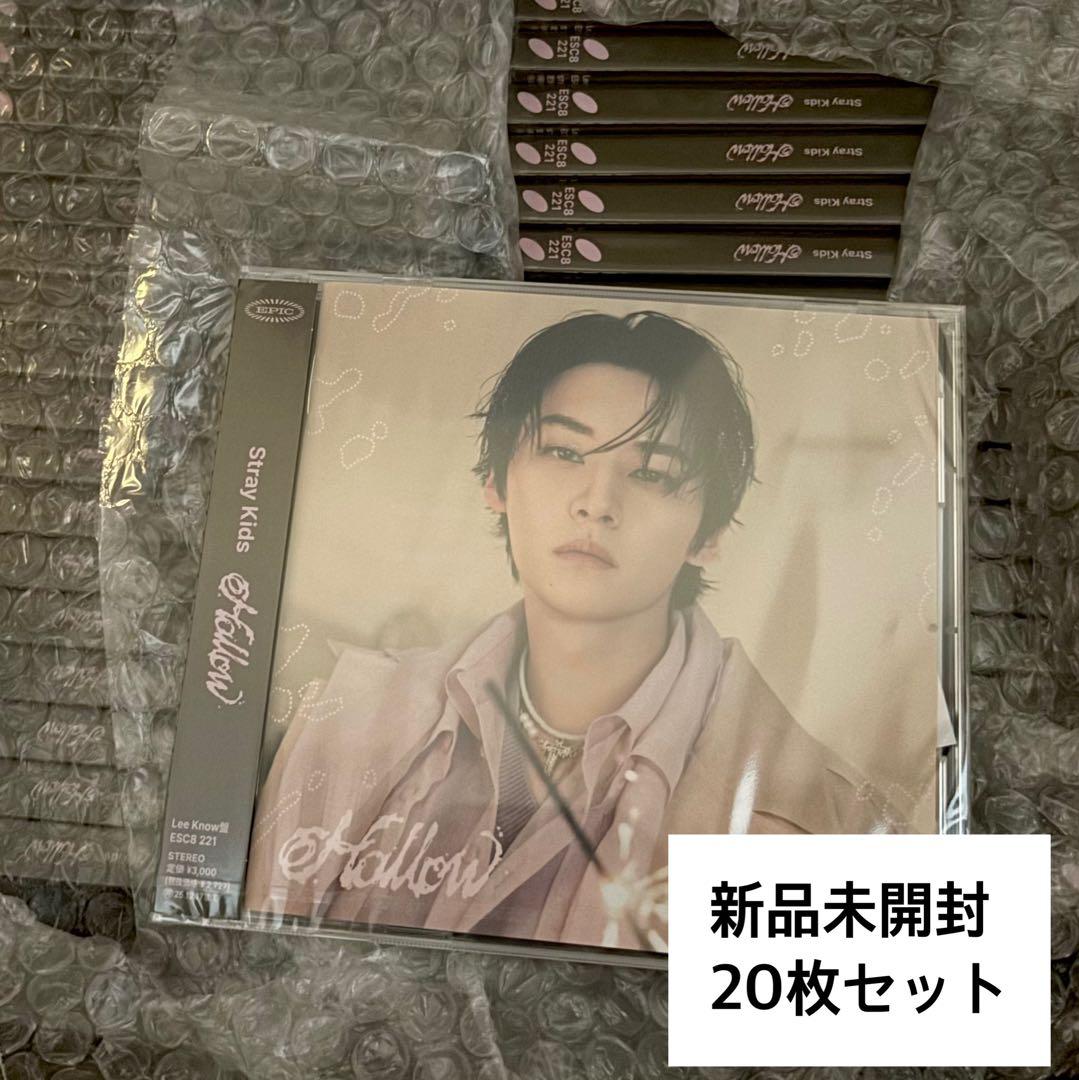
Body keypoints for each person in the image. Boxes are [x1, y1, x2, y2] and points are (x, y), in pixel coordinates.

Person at [244, 310, 893, 951]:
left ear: (710, 533)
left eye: (653, 473)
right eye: (563, 452)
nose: (596, 503)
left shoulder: (812, 821)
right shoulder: (351, 713)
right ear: (497, 481)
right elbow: (249, 965)